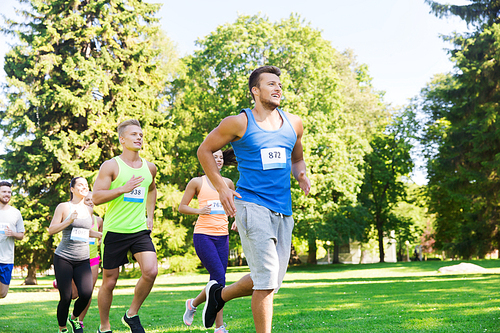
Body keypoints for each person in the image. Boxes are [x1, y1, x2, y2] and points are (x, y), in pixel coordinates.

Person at [197, 65, 311, 333]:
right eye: (270, 84)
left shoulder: (294, 123)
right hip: (251, 204)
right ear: (255, 91)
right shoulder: (239, 122)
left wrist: (302, 174)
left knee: (271, 279)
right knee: (267, 282)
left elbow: (297, 158)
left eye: (279, 84)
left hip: (284, 209)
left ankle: (219, 296)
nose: (277, 88)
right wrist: (222, 188)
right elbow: (205, 150)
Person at [92, 119, 158, 333]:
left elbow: (151, 190)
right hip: (115, 231)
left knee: (151, 271)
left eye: (140, 134)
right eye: (133, 134)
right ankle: (104, 326)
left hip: (139, 229)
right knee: (110, 282)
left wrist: (150, 215)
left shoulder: (149, 168)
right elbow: (96, 197)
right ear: (122, 139)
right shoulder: (111, 166)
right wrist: (122, 188)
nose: (139, 137)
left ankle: (131, 314)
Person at [179, 149, 236, 333]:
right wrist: (199, 211)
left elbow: (233, 207)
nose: (218, 160)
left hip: (223, 237)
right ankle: (218, 327)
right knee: (219, 278)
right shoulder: (197, 182)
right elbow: (182, 207)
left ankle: (193, 304)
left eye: (220, 158)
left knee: (217, 282)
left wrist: (236, 220)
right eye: (214, 157)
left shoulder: (228, 183)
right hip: (203, 235)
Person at [48, 177, 102, 333]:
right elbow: (52, 229)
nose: (84, 187)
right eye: (80, 184)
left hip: (83, 259)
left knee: (86, 294)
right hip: (64, 258)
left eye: (86, 185)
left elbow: (85, 231)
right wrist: (69, 220)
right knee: (66, 297)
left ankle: (74, 317)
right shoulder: (64, 207)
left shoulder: (89, 210)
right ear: (72, 189)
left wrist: (100, 234)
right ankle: (62, 328)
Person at [0, 181, 25, 299]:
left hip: (7, 258)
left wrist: (13, 233)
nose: (7, 194)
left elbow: (21, 235)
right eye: (4, 191)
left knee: (2, 293)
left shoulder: (15, 213)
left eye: (9, 192)